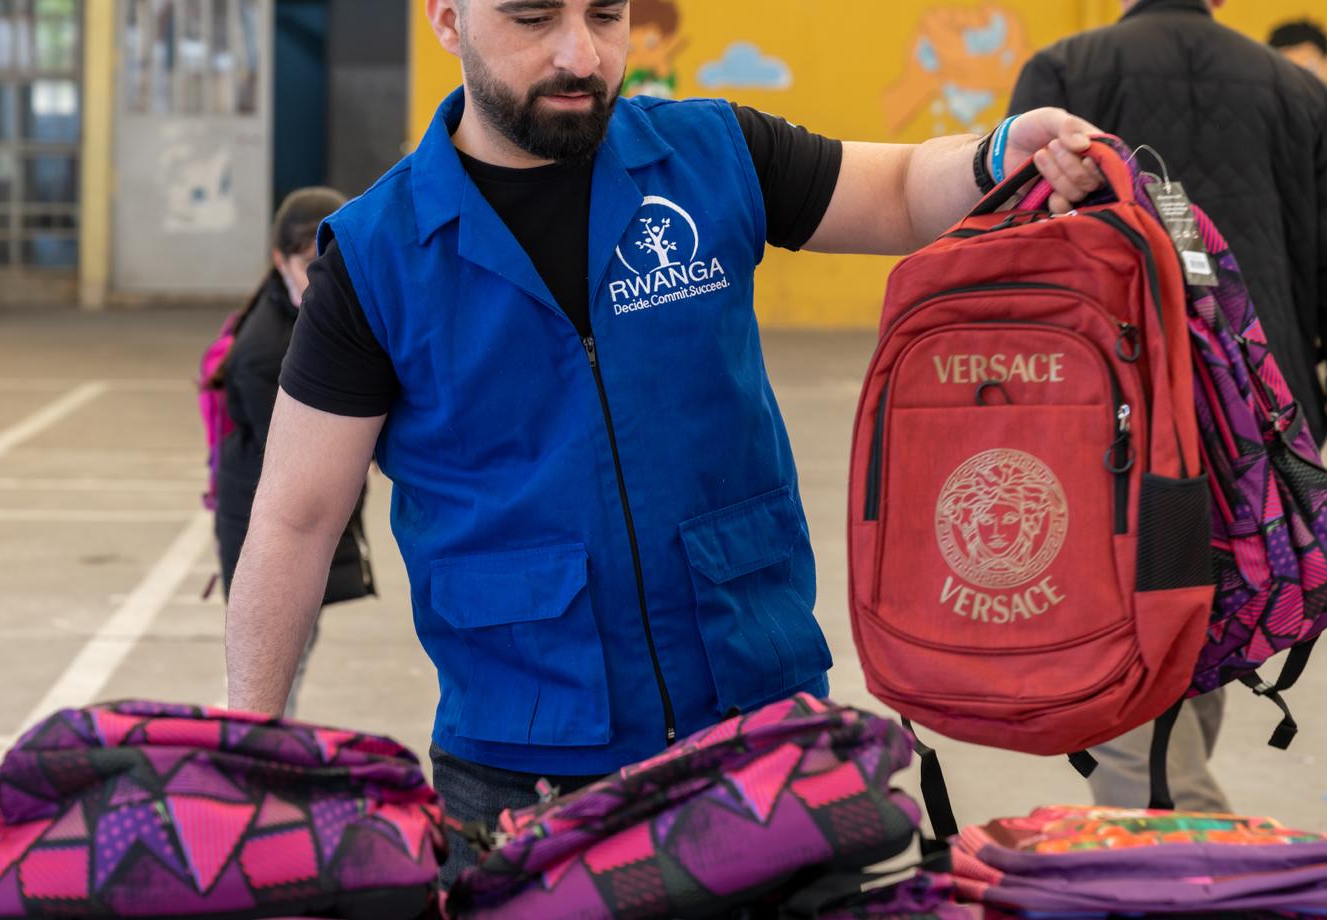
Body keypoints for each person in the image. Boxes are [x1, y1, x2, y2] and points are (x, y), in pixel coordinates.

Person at [225, 0, 1100, 883]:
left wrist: (994, 156)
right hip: (525, 780)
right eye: (533, 18)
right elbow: (295, 522)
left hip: (762, 734)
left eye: (605, 15)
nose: (580, 54)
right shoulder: (375, 257)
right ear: (448, 20)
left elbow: (902, 188)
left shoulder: (712, 155)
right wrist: (248, 768)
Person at [1009, 0, 1327, 813]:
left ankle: (1178, 843)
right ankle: (1170, 820)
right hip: (1259, 407)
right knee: (1212, 610)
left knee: (1129, 620)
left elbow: (1019, 243)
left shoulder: (1066, 70)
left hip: (1115, 407)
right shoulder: (1298, 90)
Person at [213, 187, 374, 718]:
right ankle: (256, 754)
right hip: (267, 528)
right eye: (309, 263)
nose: (324, 274)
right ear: (280, 260)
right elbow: (308, 466)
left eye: (333, 258)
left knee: (297, 651)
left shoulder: (307, 316)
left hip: (284, 514)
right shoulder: (266, 352)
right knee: (277, 671)